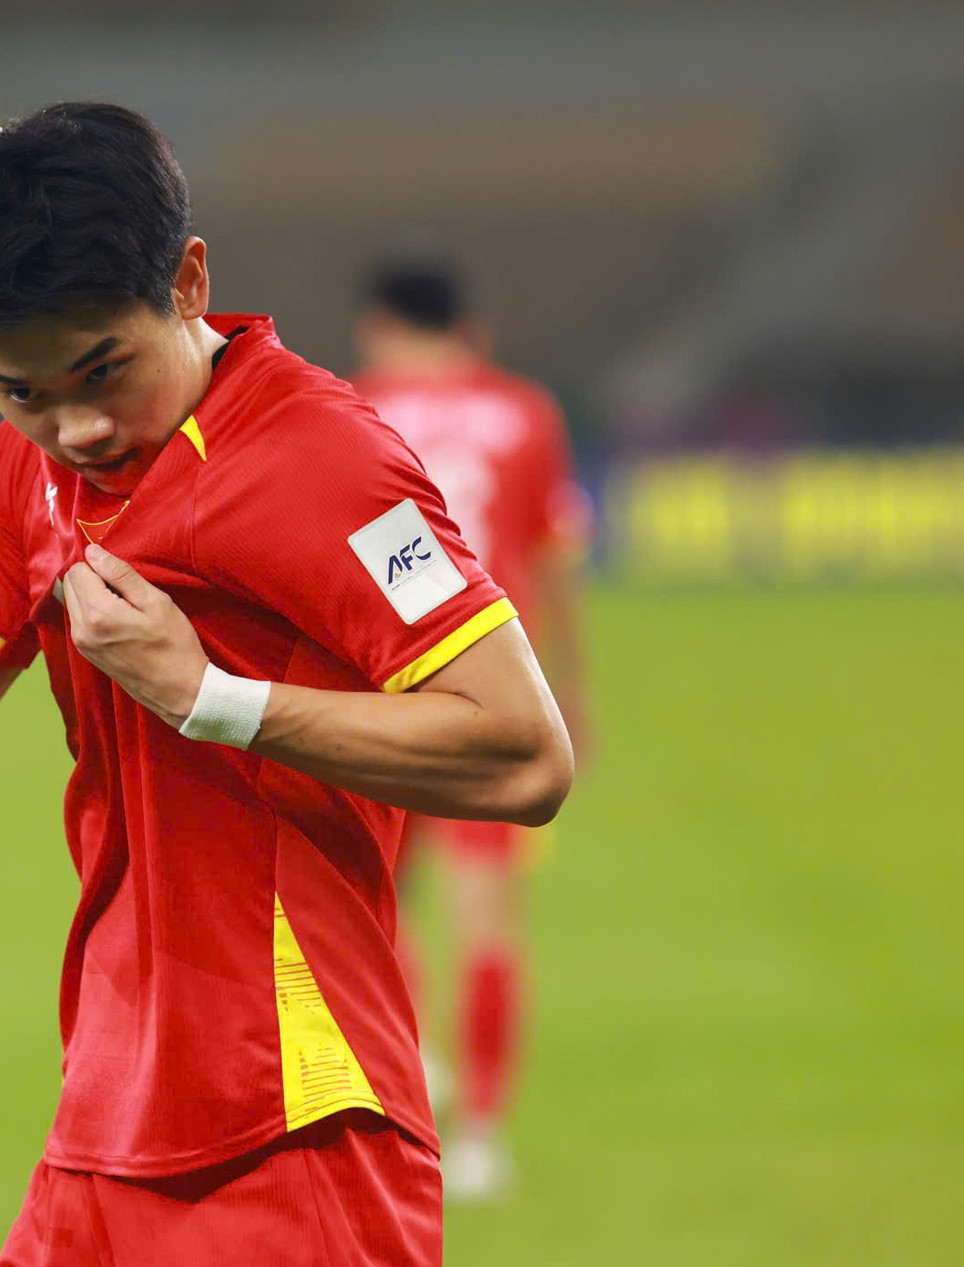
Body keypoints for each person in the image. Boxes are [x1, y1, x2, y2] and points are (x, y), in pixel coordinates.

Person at [0, 103, 574, 1266]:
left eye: (103, 370)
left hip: (294, 1113)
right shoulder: (20, 470)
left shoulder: (320, 459)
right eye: (19, 390)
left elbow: (527, 754)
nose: (74, 426)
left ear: (188, 282)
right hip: (104, 1106)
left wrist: (212, 697)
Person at [349, 255, 593, 1202]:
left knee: (373, 892)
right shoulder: (525, 412)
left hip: (384, 682)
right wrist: (571, 684)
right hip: (495, 688)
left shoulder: (354, 406)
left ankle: (411, 1062)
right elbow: (553, 554)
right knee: (487, 914)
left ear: (382, 323)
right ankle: (483, 1133)